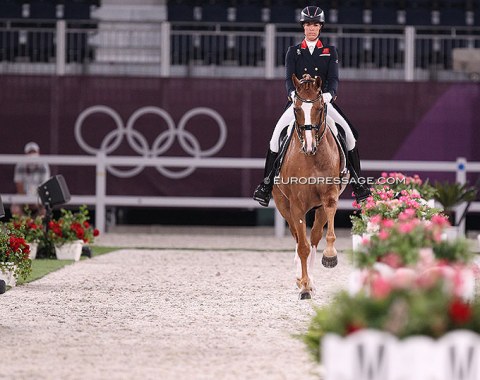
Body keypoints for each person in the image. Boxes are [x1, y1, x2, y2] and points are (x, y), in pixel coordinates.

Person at [253, 5, 371, 207]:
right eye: (308, 24)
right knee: (275, 138)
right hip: (299, 105)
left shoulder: (329, 51)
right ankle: (266, 186)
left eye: (315, 25)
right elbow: (288, 80)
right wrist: (292, 95)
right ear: (303, 27)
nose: (311, 28)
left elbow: (333, 79)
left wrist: (328, 95)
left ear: (320, 27)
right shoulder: (293, 51)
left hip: (321, 103)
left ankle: (359, 184)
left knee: (349, 136)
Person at [11, 142, 50, 217]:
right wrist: (26, 200)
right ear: (26, 154)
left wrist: (35, 200)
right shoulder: (20, 165)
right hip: (23, 195)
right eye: (30, 152)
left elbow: (44, 187)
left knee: (45, 208)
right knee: (15, 208)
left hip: (39, 196)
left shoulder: (44, 165)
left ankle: (37, 227)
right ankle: (23, 225)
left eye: (34, 152)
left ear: (38, 153)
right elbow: (19, 185)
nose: (32, 154)